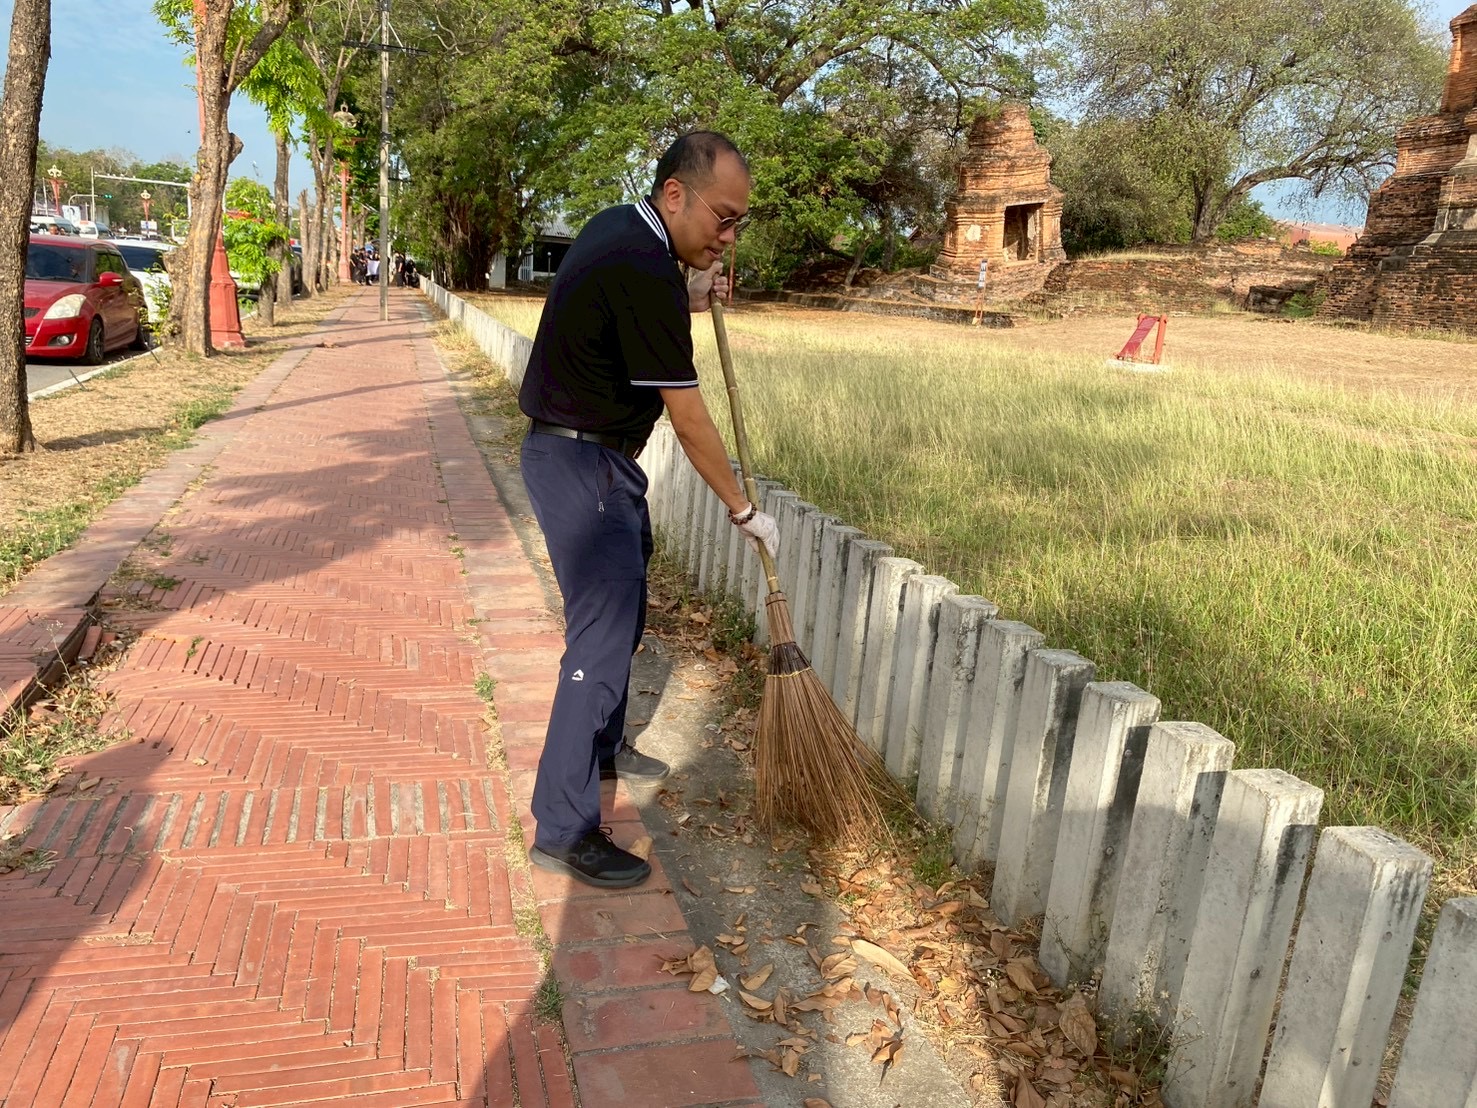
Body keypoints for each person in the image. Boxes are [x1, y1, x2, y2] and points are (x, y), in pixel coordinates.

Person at [517, 131, 779, 889]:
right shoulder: (641, 262)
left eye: (738, 225)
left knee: (624, 611)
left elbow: (639, 336)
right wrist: (740, 509)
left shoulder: (625, 231)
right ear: (675, 194)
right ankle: (563, 828)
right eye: (722, 219)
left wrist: (692, 293)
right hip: (582, 462)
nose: (727, 237)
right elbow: (688, 413)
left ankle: (600, 749)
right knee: (597, 645)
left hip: (588, 457)